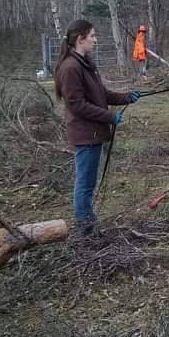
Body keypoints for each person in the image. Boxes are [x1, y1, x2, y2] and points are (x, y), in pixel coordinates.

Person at [54, 19, 140, 237]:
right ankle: (85, 227)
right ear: (80, 39)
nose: (95, 40)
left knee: (88, 181)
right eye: (92, 36)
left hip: (92, 132)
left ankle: (88, 222)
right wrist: (110, 117)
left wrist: (126, 97)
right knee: (84, 183)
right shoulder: (71, 67)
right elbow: (77, 105)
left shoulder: (84, 63)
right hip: (85, 133)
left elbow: (101, 93)